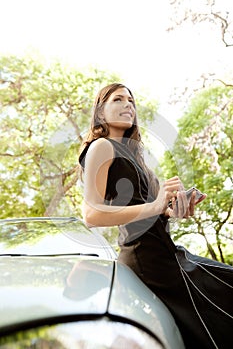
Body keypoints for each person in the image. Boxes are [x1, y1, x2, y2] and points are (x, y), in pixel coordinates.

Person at [78, 83, 233, 349]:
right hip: (147, 261)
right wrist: (156, 206)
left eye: (131, 100)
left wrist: (174, 209)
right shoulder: (101, 147)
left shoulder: (135, 154)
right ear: (101, 112)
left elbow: (153, 210)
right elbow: (91, 214)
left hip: (167, 252)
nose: (128, 104)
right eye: (118, 99)